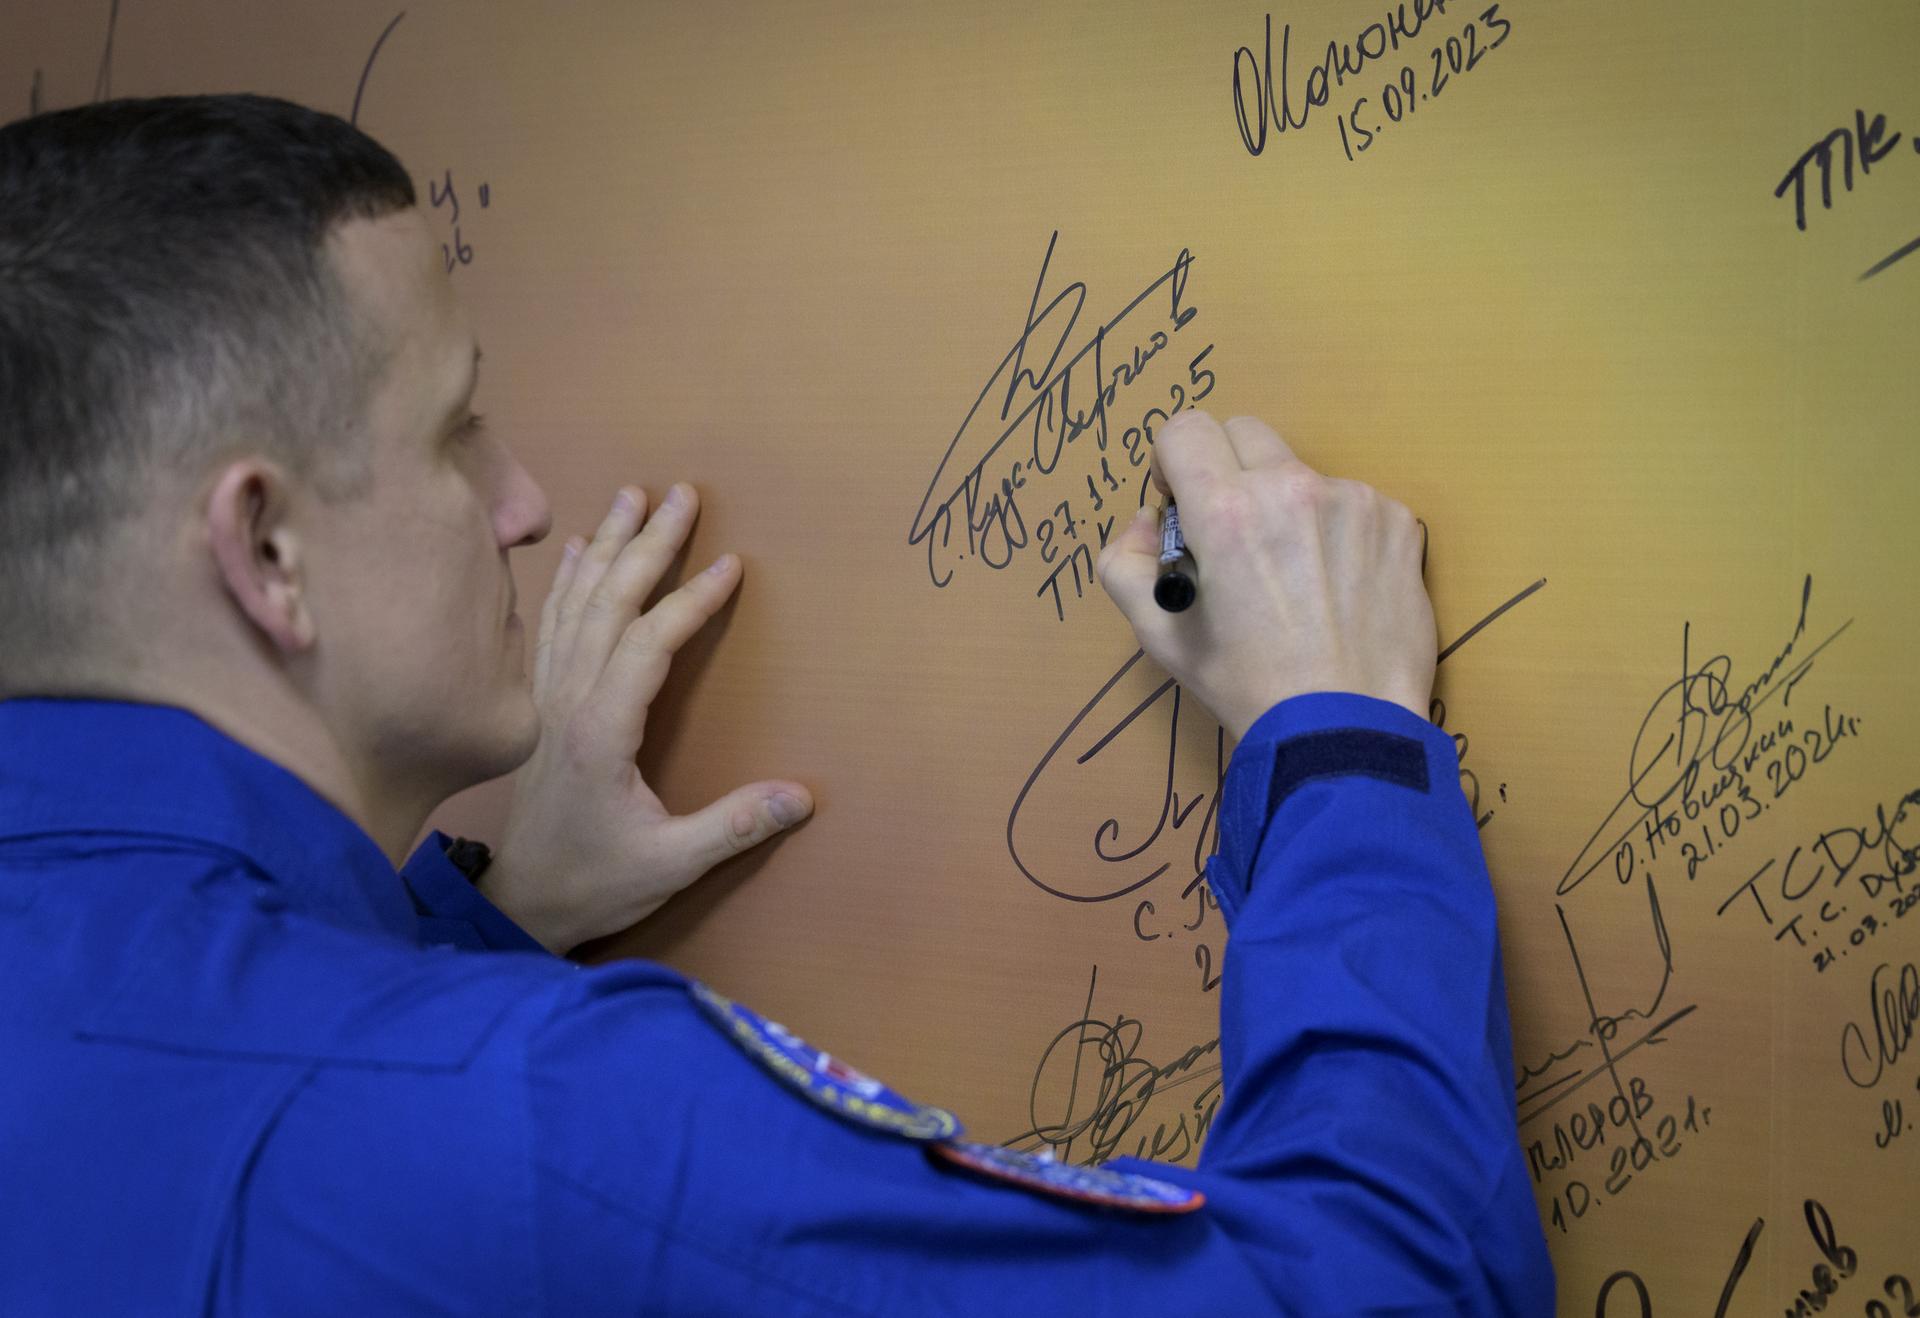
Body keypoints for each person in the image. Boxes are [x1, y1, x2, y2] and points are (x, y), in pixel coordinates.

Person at [0, 94, 1553, 1315]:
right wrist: (1342, 738)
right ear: (266, 547)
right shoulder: (549, 1122)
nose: (527, 500)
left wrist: (489, 917)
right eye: (457, 428)